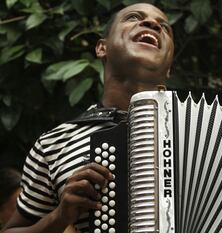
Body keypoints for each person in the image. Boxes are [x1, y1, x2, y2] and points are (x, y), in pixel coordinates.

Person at [2, 3, 174, 233]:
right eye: (133, 17)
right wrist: (59, 217)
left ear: (169, 65)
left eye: (164, 27)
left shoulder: (202, 133)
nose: (153, 24)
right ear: (102, 48)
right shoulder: (54, 143)